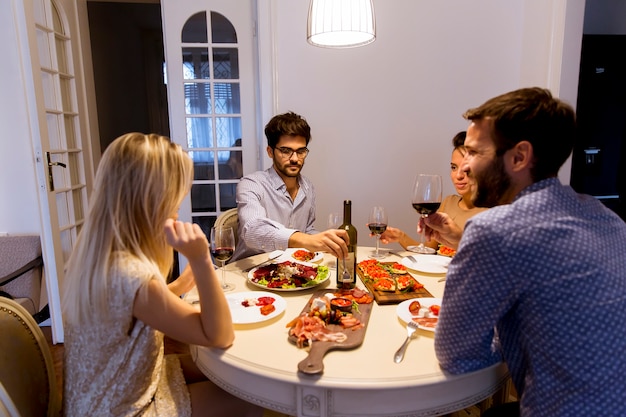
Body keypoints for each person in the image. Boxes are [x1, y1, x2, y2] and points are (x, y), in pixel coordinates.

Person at [429, 88, 626, 416]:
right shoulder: (608, 218)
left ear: (519, 157)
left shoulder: (495, 229)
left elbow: (456, 354)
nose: (465, 169)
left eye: (475, 153)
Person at [61, 133, 262, 417]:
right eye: (174, 200)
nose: (178, 210)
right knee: (248, 399)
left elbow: (124, 309)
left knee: (227, 374)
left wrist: (180, 284)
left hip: (95, 396)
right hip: (120, 408)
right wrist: (201, 259)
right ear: (149, 201)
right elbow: (220, 335)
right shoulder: (132, 274)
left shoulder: (95, 254)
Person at [231, 111, 349, 261]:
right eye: (286, 151)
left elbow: (307, 230)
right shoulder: (251, 184)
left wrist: (326, 241)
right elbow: (252, 230)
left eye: (301, 151)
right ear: (270, 152)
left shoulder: (308, 187)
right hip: (248, 270)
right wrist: (305, 240)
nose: (295, 159)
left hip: (290, 271)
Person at [378, 131, 486, 251]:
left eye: (467, 169)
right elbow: (429, 251)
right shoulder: (449, 203)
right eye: (454, 168)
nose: (458, 175)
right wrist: (400, 237)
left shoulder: (493, 214)